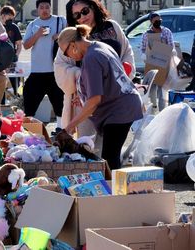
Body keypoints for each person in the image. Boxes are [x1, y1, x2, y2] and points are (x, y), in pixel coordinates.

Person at [59, 25, 143, 170]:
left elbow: (95, 100)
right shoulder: (100, 46)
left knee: (110, 158)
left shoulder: (91, 58)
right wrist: (84, 97)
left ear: (73, 45)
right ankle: (114, 188)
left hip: (118, 110)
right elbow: (108, 80)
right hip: (126, 103)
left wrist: (69, 126)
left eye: (66, 53)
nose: (69, 57)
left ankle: (113, 190)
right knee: (111, 156)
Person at [22, 0, 66, 127]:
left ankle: (60, 128)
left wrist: (59, 36)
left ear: (51, 7)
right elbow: (26, 45)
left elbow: (71, 34)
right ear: (37, 9)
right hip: (37, 71)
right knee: (29, 98)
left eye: (47, 7)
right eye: (41, 7)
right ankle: (29, 128)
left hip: (55, 70)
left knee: (59, 101)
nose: (45, 10)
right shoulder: (32, 24)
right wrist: (37, 34)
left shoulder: (60, 20)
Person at [141, 12, 174, 112]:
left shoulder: (166, 32)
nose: (158, 22)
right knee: (151, 87)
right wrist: (144, 55)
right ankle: (153, 109)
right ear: (151, 21)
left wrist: (169, 52)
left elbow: (171, 45)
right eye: (156, 21)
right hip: (151, 62)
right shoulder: (146, 34)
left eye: (160, 20)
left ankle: (162, 111)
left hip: (163, 62)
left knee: (161, 88)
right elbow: (143, 48)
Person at [0, 5, 22, 95]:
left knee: (16, 84)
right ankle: (1, 104)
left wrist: (16, 56)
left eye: (12, 16)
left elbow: (19, 45)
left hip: (12, 60)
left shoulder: (14, 27)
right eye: (9, 15)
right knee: (1, 85)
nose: (11, 18)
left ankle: (17, 101)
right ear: (2, 15)